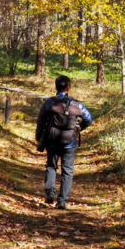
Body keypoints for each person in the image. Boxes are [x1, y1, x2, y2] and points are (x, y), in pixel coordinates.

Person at [35, 75, 93, 209]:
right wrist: (79, 128)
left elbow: (41, 119)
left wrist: (39, 137)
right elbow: (89, 119)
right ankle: (62, 200)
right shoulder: (77, 105)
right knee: (67, 171)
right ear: (68, 87)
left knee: (51, 166)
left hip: (52, 140)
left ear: (56, 87)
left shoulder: (50, 103)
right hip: (70, 142)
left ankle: (50, 192)